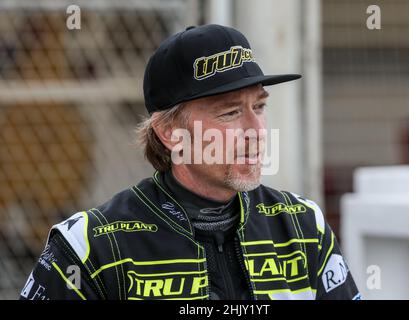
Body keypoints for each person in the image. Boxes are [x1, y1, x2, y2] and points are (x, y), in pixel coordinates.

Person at [20, 24, 360, 300]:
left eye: (259, 106)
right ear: (169, 131)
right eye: (230, 113)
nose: (256, 131)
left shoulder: (302, 226)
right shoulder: (89, 246)